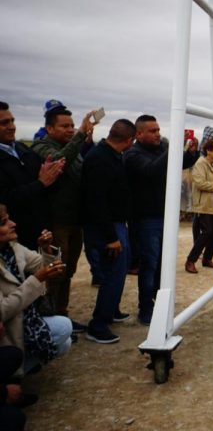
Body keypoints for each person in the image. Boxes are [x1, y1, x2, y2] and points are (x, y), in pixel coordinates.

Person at [124, 115, 198, 324]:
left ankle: (158, 301)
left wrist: (190, 152)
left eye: (158, 130)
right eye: (153, 131)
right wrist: (173, 149)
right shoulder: (133, 155)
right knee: (149, 264)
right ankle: (145, 308)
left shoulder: (161, 149)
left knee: (162, 264)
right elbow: (152, 170)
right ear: (139, 134)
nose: (158, 134)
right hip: (146, 218)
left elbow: (179, 163)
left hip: (165, 215)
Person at [30, 107, 96, 332]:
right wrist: (79, 137)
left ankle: (62, 316)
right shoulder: (41, 146)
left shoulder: (74, 149)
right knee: (54, 272)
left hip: (74, 221)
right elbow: (58, 163)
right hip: (55, 223)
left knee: (68, 270)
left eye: (72, 125)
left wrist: (85, 141)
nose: (70, 129)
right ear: (49, 128)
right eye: (64, 126)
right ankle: (48, 320)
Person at [81, 119, 136, 344]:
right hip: (106, 227)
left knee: (118, 272)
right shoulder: (100, 159)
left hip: (114, 223)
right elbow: (96, 201)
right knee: (113, 274)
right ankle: (98, 325)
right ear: (129, 140)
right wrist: (111, 238)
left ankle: (111, 310)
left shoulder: (109, 155)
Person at [0, 204, 72, 374]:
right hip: (8, 330)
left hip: (24, 319)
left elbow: (45, 266)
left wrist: (46, 249)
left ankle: (22, 366)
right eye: (4, 222)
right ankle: (13, 374)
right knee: (63, 329)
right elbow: (2, 310)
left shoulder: (12, 248)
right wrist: (36, 280)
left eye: (9, 218)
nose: (12, 223)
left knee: (65, 337)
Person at [0, 102, 64, 250]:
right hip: (15, 240)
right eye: (4, 123)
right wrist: (41, 183)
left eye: (12, 121)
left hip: (42, 233)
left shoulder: (22, 148)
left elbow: (45, 187)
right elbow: (6, 199)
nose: (12, 126)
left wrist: (52, 176)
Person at [185, 139, 213, 274]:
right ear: (209, 150)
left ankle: (207, 258)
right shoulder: (201, 163)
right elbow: (200, 183)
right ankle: (190, 260)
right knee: (206, 233)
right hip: (203, 205)